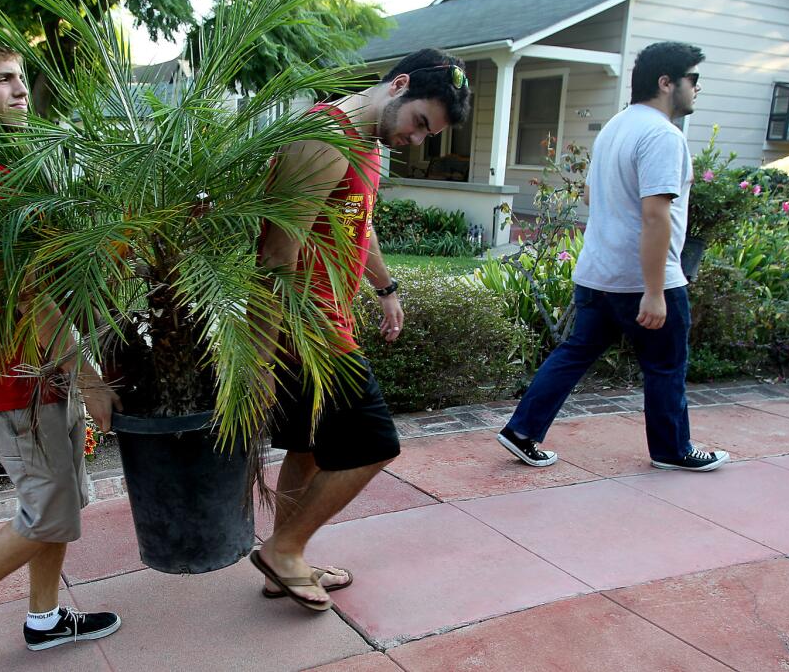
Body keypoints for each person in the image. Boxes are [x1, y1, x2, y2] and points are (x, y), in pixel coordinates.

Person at [250, 49, 472, 612]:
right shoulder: (323, 138)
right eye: (419, 122)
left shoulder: (367, 143)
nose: (416, 140)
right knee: (374, 443)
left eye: (429, 135)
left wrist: (386, 287)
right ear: (398, 85)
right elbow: (276, 254)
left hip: (330, 318)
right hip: (307, 328)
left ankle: (284, 561)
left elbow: (358, 221)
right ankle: (285, 548)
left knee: (308, 448)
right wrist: (260, 357)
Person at [0, 35, 122, 658]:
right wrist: (91, 380)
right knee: (49, 509)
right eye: (4, 80)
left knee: (62, 503)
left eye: (21, 77)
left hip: (48, 373)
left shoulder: (11, 171)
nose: (20, 91)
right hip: (14, 376)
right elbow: (30, 301)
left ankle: (43, 619)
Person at [496, 41, 729, 473]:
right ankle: (672, 450)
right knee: (665, 366)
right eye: (692, 79)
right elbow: (656, 216)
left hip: (597, 273)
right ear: (666, 83)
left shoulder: (616, 127)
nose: (697, 88)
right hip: (642, 280)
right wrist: (656, 292)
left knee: (573, 353)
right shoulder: (663, 134)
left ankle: (521, 429)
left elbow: (590, 194)